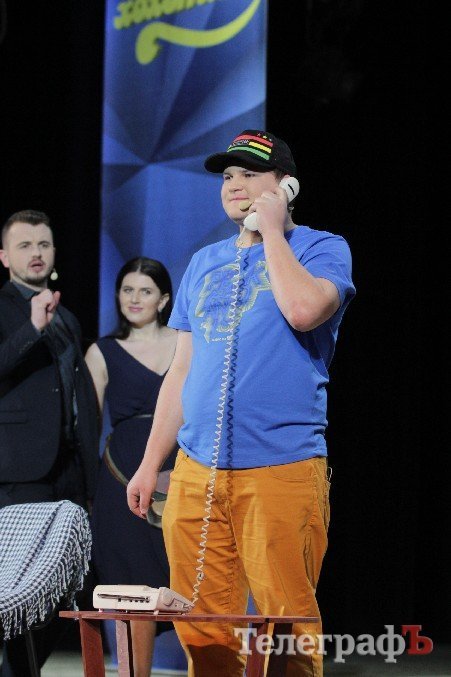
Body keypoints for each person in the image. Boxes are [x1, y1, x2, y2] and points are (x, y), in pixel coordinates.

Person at [126, 129, 356, 676]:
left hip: (281, 467)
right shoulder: (204, 262)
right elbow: (182, 371)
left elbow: (303, 311)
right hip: (196, 473)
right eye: (228, 175)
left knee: (287, 628)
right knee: (201, 627)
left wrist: (271, 231)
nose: (234, 185)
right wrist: (150, 462)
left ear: (286, 185)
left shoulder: (323, 248)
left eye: (250, 174)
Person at [0, 209, 99, 675]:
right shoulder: (6, 309)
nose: (36, 253)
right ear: (5, 256)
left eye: (43, 244)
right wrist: (32, 329)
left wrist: (90, 477)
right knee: (18, 589)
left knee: (66, 587)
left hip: (67, 471)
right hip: (20, 470)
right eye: (24, 245)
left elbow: (78, 399)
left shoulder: (68, 318)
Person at [85, 257, 178, 677]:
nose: (134, 299)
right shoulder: (101, 352)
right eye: (127, 290)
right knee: (134, 585)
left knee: (191, 580)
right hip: (121, 480)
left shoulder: (188, 343)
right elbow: (87, 428)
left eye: (145, 290)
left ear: (164, 299)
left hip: (181, 475)